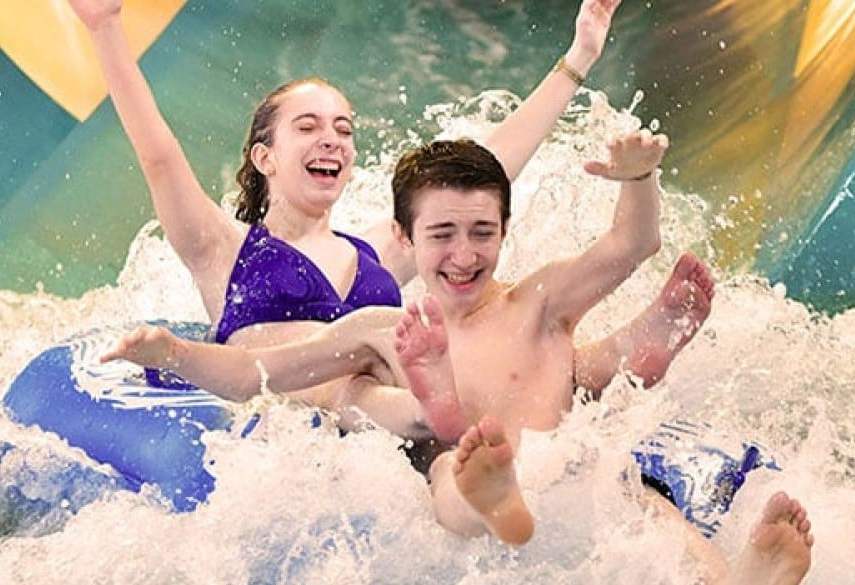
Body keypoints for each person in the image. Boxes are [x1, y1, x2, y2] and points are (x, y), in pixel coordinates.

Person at [103, 134, 810, 582]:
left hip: (565, 465)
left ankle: (742, 578)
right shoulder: (385, 326)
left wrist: (638, 178)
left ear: (506, 230)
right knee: (446, 471)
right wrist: (176, 353)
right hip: (457, 469)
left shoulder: (538, 300)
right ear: (405, 241)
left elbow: (630, 245)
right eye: (443, 234)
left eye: (482, 232)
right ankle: (494, 499)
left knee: (640, 501)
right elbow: (260, 374)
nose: (465, 254)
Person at [69, 0, 697, 410]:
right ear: (264, 158)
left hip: (406, 397)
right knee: (372, 355)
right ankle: (565, 377)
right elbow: (158, 154)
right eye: (309, 127)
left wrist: (578, 58)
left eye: (344, 129)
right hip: (334, 411)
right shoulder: (221, 247)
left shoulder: (376, 248)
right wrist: (105, 28)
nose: (332, 140)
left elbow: (484, 170)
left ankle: (605, 358)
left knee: (491, 311)